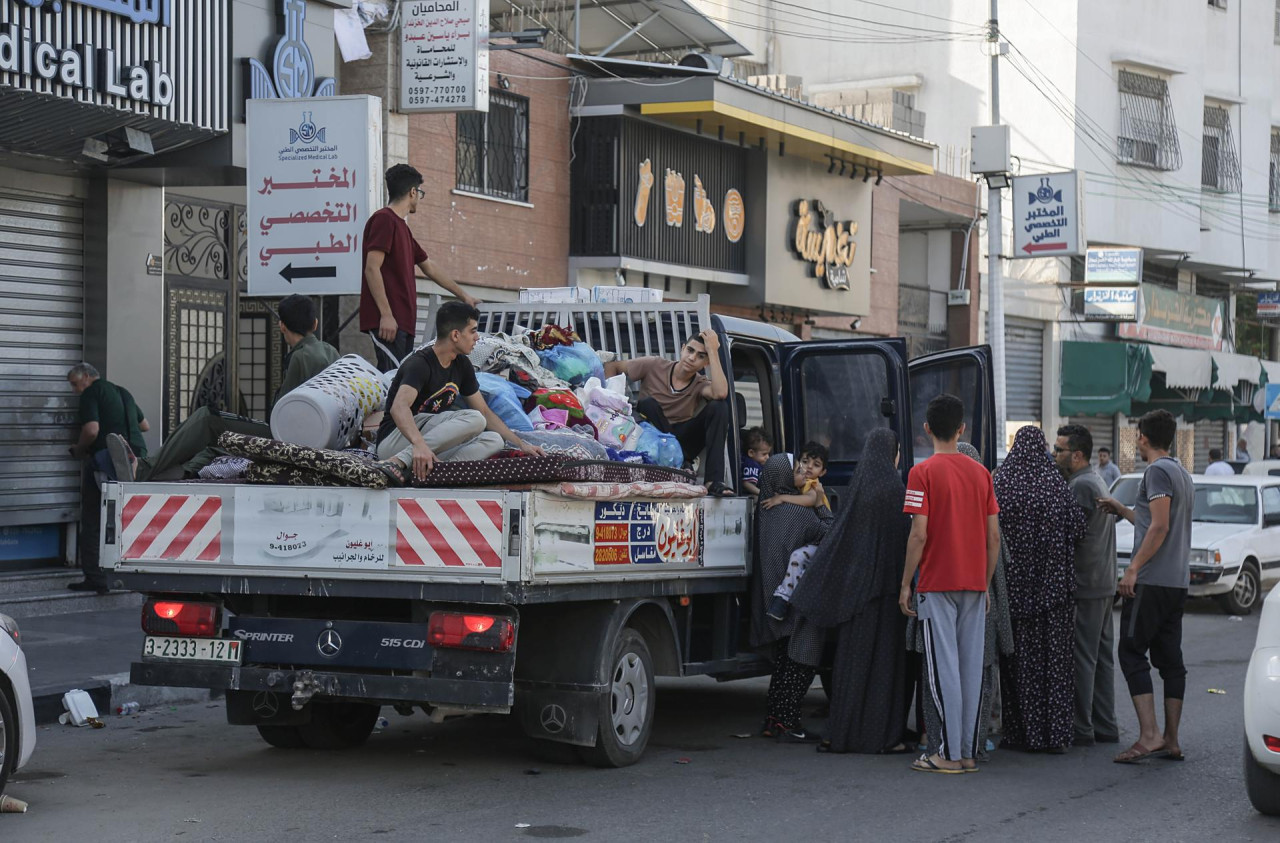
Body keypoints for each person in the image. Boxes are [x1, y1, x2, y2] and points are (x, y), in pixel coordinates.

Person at [111, 295, 339, 482]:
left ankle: (142, 468)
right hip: (321, 438)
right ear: (315, 324)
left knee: (207, 418)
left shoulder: (299, 357)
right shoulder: (330, 352)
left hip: (288, 440)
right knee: (218, 445)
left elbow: (281, 416)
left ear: (281, 325)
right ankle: (174, 474)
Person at [791, 429, 910, 754]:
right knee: (884, 669)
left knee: (851, 668)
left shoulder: (859, 487)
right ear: (891, 454)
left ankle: (839, 735)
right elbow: (907, 539)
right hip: (885, 597)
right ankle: (882, 737)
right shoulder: (896, 490)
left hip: (854, 597)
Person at [899, 394, 1001, 773]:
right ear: (962, 429)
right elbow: (993, 537)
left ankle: (947, 754)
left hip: (936, 584)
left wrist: (906, 584)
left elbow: (918, 535)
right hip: (975, 584)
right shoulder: (983, 474)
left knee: (943, 671)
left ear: (926, 429)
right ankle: (968, 754)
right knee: (971, 671)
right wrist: (986, 583)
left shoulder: (920, 474)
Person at [1098, 409, 1193, 764]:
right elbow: (1151, 519)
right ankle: (1171, 738)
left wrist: (1133, 569)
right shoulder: (1181, 472)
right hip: (1176, 582)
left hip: (1152, 580)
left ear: (1143, 438)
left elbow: (1160, 527)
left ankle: (1150, 735)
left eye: (1137, 436)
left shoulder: (1156, 471)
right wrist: (1121, 509)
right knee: (1170, 660)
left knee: (1131, 651)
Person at [375, 301, 544, 482]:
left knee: (493, 440)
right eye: (472, 331)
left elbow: (485, 411)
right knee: (475, 419)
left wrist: (521, 444)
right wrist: (418, 445)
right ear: (456, 335)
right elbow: (399, 408)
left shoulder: (462, 365)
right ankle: (399, 462)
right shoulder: (420, 364)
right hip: (395, 441)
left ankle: (436, 473)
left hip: (427, 443)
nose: (477, 337)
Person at [995, 426, 1086, 754]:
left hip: (1014, 593)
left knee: (1017, 664)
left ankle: (1019, 734)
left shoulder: (1001, 482)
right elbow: (1079, 528)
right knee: (1054, 665)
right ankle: (1054, 735)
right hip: (1053, 596)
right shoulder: (1055, 484)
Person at [361, 164, 479, 373]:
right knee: (393, 381)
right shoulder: (384, 220)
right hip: (389, 322)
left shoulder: (402, 228)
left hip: (403, 322)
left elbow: (429, 267)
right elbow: (372, 268)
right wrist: (386, 315)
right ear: (413, 192)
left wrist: (464, 296)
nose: (419, 199)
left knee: (398, 379)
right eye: (420, 193)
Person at [752, 454, 831, 743]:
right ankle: (787, 722)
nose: (803, 473)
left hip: (771, 597)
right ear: (783, 479)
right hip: (797, 602)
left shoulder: (764, 510)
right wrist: (820, 500)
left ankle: (774, 720)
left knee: (783, 662)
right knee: (802, 661)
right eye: (796, 470)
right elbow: (831, 534)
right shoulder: (798, 514)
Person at [1054, 424, 1120, 747]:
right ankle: (1106, 724)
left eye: (1059, 450)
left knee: (1083, 657)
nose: (1055, 455)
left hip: (1088, 583)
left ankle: (1082, 727)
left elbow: (1071, 535)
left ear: (1077, 455)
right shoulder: (1096, 479)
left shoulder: (1080, 486)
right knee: (1102, 656)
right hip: (1105, 582)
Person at [604, 330, 732, 494]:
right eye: (690, 350)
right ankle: (680, 461)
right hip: (649, 435)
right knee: (648, 404)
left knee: (719, 406)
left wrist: (713, 351)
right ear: (682, 348)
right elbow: (611, 366)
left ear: (706, 363)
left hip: (681, 441)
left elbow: (720, 393)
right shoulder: (655, 365)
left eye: (701, 356)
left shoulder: (700, 384)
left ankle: (713, 482)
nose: (692, 358)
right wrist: (614, 402)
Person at [67, 362, 149, 593]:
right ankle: (128, 570)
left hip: (108, 459)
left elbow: (92, 430)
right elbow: (145, 425)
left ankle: (95, 577)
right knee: (127, 516)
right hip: (136, 460)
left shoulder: (92, 393)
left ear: (86, 377)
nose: (75, 390)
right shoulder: (123, 392)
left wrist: (80, 448)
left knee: (93, 517)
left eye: (75, 384)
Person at [762, 444, 830, 621]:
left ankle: (782, 598)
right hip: (815, 542)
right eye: (805, 462)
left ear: (822, 472)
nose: (807, 468)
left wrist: (782, 498)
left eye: (815, 465)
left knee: (798, 557)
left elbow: (810, 501)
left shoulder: (813, 486)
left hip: (822, 543)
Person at [741, 427, 771, 496]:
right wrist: (762, 494)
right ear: (751, 453)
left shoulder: (756, 463)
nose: (767, 457)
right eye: (764, 454)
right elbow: (747, 484)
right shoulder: (751, 464)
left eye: (768, 454)